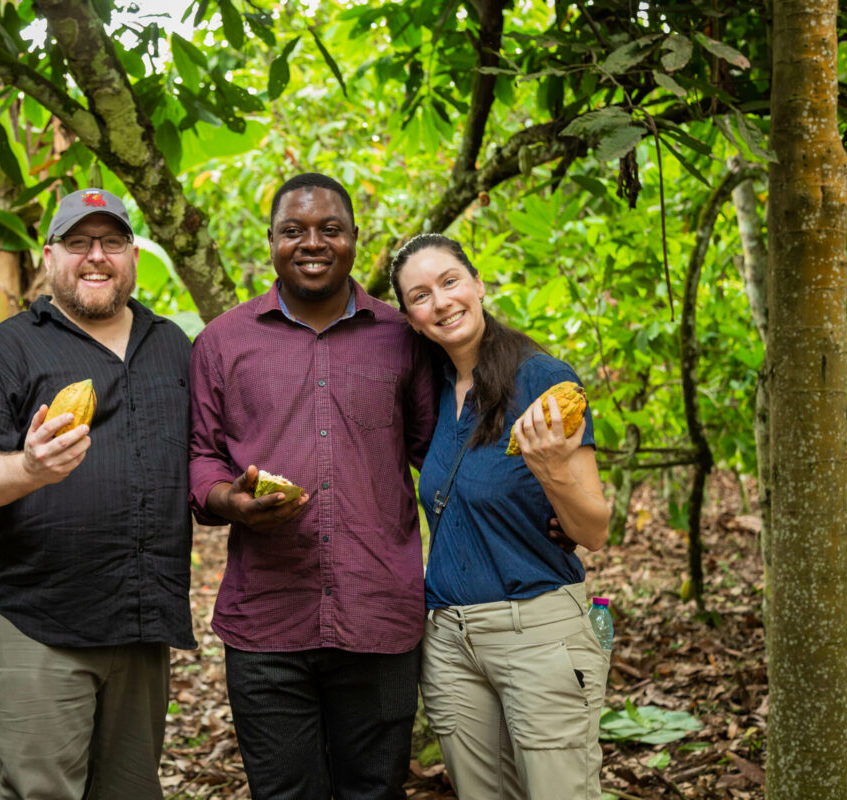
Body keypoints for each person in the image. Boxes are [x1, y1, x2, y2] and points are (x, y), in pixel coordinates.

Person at [0, 188, 195, 800]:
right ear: (49, 257)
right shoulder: (6, 350)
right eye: (78, 243)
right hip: (40, 622)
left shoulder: (172, 347)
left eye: (111, 243)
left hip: (140, 622)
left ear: (133, 256)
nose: (95, 256)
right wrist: (29, 468)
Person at [188, 173, 437, 800]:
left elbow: (441, 460)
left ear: (356, 240)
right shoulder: (223, 341)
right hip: (267, 618)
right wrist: (230, 502)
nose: (312, 242)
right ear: (270, 242)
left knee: (373, 792)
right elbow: (202, 457)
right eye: (293, 230)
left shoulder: (401, 337)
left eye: (330, 229)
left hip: (379, 610)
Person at [388, 233, 611, 800]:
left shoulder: (543, 379)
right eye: (419, 296)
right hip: (449, 641)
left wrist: (552, 469)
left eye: (449, 282)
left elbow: (594, 530)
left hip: (536, 631)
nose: (440, 303)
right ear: (410, 319)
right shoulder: (432, 391)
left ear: (478, 285)